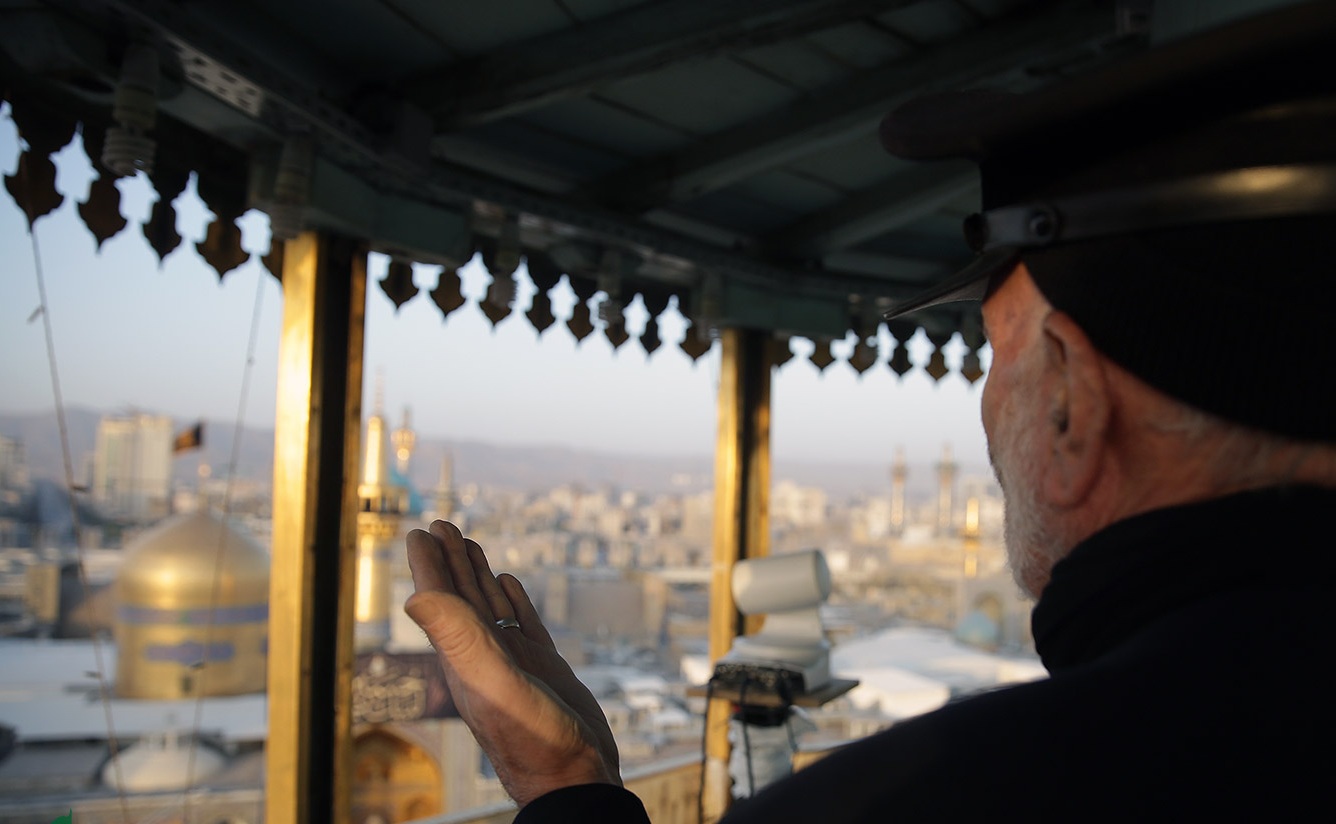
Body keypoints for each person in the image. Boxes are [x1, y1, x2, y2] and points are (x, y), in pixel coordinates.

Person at [405, 4, 1336, 821]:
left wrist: (570, 794)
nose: (985, 404)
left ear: (1072, 410)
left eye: (1000, 352)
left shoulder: (935, 795)